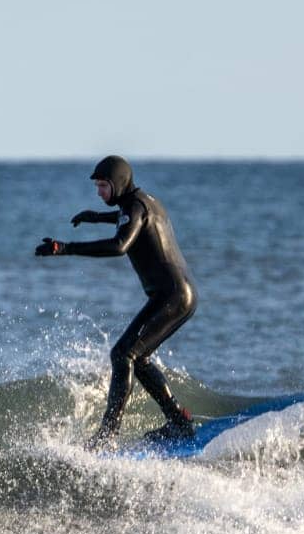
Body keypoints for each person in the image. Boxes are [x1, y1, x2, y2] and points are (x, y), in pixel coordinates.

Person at [34, 156, 197, 447]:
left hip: (172, 296)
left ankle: (108, 435)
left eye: (103, 186)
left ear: (118, 183)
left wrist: (65, 248)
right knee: (138, 357)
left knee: (123, 355)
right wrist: (97, 217)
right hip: (176, 294)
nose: (99, 192)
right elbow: (131, 218)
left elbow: (120, 245)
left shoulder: (134, 207)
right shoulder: (144, 202)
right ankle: (179, 422)